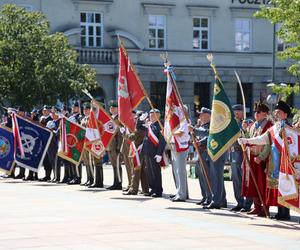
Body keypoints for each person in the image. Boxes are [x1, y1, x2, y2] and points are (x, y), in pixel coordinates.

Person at [238, 100, 291, 220]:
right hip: (274, 163)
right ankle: (280, 211)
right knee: (277, 187)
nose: (276, 114)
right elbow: (262, 139)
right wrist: (247, 141)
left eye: (279, 112)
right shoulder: (274, 128)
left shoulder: (289, 128)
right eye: (276, 112)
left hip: (285, 162)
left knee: (284, 187)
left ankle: (285, 212)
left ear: (285, 115)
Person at [242, 103, 273, 217]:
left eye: (259, 112)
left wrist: (262, 157)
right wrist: (244, 130)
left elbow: (268, 144)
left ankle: (265, 208)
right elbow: (249, 139)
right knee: (252, 183)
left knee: (262, 184)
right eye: (255, 112)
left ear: (265, 114)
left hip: (261, 159)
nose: (256, 114)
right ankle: (256, 207)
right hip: (252, 157)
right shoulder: (252, 125)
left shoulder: (269, 125)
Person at [229, 104, 252, 212]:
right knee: (236, 180)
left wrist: (244, 128)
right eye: (235, 111)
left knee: (245, 179)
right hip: (233, 153)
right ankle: (239, 202)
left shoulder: (247, 123)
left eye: (238, 111)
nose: (236, 113)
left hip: (243, 154)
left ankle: (247, 204)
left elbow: (249, 137)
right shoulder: (231, 124)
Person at [190, 107, 212, 206]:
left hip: (205, 154)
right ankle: (204, 197)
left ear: (208, 116)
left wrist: (200, 142)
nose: (200, 116)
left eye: (202, 115)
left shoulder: (210, 126)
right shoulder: (201, 126)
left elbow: (209, 137)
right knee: (201, 177)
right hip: (198, 154)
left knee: (207, 177)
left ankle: (209, 197)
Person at [142, 109, 166, 197]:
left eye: (153, 115)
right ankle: (152, 188)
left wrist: (159, 153)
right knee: (149, 171)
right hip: (147, 151)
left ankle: (158, 190)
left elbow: (162, 140)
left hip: (155, 152)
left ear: (158, 116)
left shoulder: (160, 125)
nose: (151, 116)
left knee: (156, 172)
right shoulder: (149, 125)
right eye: (150, 115)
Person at [123, 111, 149, 195]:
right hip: (142, 152)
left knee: (135, 171)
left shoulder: (139, 129)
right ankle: (145, 190)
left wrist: (124, 133)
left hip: (137, 152)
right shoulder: (145, 128)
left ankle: (133, 189)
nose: (135, 119)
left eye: (136, 118)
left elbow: (132, 137)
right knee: (142, 172)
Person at [169, 105, 190, 202]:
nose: (177, 112)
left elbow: (181, 133)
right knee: (176, 171)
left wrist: (170, 133)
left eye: (179, 111)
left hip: (181, 147)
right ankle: (179, 191)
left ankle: (182, 194)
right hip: (175, 146)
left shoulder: (185, 121)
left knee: (181, 171)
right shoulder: (179, 121)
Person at [106, 100, 123, 190]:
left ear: (117, 108)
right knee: (113, 165)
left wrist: (118, 146)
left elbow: (120, 134)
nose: (112, 109)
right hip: (110, 145)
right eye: (111, 108)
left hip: (116, 145)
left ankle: (119, 183)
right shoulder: (109, 118)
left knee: (117, 164)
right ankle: (115, 182)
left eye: (113, 107)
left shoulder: (119, 118)